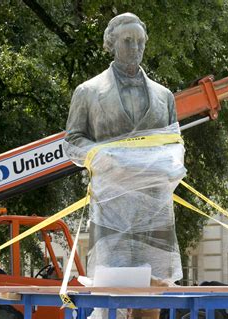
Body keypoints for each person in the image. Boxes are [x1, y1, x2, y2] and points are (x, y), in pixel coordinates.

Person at [64, 12, 184, 294]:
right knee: (112, 286)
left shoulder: (164, 95)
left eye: (140, 41)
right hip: (112, 204)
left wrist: (176, 161)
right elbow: (73, 141)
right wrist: (97, 155)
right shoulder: (88, 92)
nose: (135, 47)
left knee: (155, 288)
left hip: (155, 204)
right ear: (111, 43)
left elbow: (174, 141)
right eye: (127, 41)